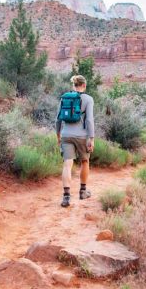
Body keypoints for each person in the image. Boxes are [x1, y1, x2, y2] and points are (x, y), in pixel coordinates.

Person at [55, 75, 95, 208]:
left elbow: (58, 119)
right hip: (82, 136)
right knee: (85, 161)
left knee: (67, 164)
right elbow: (89, 120)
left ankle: (66, 197)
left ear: (74, 85)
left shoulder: (64, 98)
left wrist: (58, 135)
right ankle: (83, 192)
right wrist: (91, 138)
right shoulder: (88, 99)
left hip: (66, 134)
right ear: (84, 85)